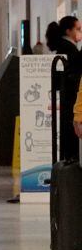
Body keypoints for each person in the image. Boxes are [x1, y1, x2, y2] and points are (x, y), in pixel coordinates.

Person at [48, 16, 82, 162]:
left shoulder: (67, 47)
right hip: (71, 98)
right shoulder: (69, 49)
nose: (80, 32)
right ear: (69, 31)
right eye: (78, 29)